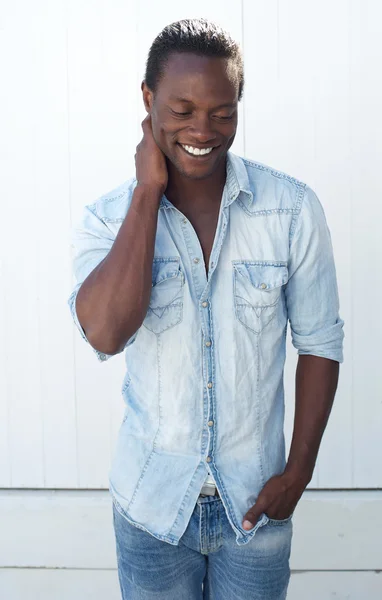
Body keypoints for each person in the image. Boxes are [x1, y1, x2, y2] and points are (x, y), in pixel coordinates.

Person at [68, 17, 344, 600]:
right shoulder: (106, 218)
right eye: (183, 108)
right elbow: (104, 334)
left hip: (255, 507)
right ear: (148, 100)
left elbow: (319, 341)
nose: (203, 128)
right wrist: (148, 193)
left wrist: (299, 472)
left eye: (223, 112)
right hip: (152, 509)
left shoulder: (291, 210)